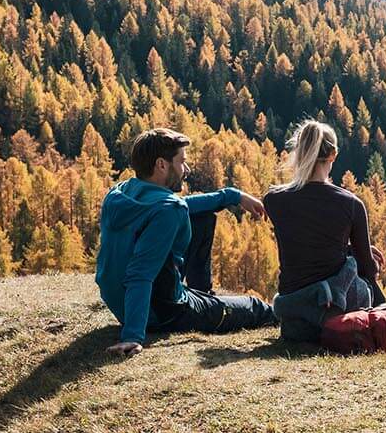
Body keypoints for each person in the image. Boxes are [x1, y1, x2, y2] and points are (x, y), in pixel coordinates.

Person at [94, 128, 276, 356]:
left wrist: (232, 196)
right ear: (162, 165)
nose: (186, 170)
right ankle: (285, 316)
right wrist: (132, 336)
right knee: (255, 307)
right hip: (163, 311)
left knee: (202, 216)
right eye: (182, 162)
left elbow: (179, 206)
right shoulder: (168, 210)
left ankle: (203, 295)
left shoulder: (119, 193)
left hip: (119, 300)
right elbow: (140, 273)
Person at [263, 120, 386, 344]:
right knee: (362, 279)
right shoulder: (351, 204)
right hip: (336, 315)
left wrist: (347, 249)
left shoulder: (274, 200)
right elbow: (368, 269)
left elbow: (304, 240)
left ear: (299, 152)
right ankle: (384, 324)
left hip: (294, 320)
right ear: (333, 154)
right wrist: (363, 257)